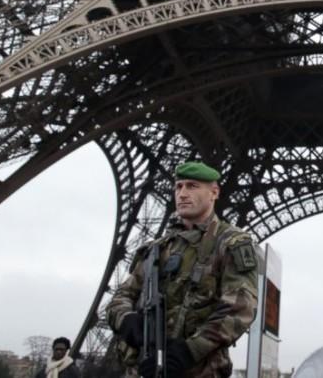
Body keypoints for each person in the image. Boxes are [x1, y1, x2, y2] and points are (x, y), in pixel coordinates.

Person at [106, 161, 259, 378]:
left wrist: (188, 351)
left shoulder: (231, 243)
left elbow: (241, 307)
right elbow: (121, 297)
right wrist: (127, 320)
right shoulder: (155, 249)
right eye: (178, 187)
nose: (182, 194)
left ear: (214, 192)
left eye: (192, 186)